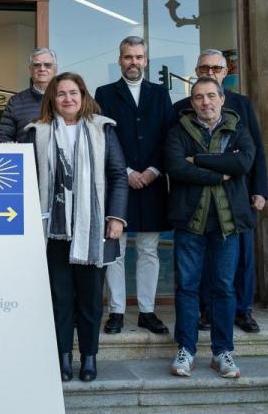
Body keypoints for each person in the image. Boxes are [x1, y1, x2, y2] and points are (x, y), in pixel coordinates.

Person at [25, 72, 128, 383]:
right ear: (52, 99)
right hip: (52, 230)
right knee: (60, 298)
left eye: (73, 92)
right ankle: (63, 357)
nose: (68, 98)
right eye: (61, 94)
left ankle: (89, 357)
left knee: (90, 298)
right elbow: (24, 178)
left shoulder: (102, 128)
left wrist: (115, 217)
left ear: (83, 96)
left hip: (92, 229)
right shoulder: (37, 132)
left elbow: (118, 175)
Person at [172, 49, 268, 333]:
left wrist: (260, 189)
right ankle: (206, 310)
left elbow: (253, 154)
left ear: (226, 72)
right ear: (196, 72)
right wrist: (223, 166)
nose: (210, 73)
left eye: (216, 68)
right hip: (196, 198)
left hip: (239, 193)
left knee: (241, 259)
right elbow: (176, 161)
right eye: (204, 68)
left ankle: (243, 310)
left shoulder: (242, 104)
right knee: (201, 264)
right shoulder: (181, 108)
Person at [165, 76, 255, 379]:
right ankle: (186, 350)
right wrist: (219, 172)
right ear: (192, 102)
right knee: (187, 286)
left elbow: (243, 164)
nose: (205, 102)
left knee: (224, 287)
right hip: (190, 221)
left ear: (221, 99)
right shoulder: (178, 131)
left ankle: (222, 352)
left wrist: (200, 160)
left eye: (211, 96)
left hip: (227, 224)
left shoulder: (238, 128)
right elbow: (177, 167)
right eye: (199, 97)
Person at [94, 36, 175, 336]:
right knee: (115, 250)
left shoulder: (160, 93)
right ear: (120, 60)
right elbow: (103, 137)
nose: (134, 62)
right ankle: (116, 311)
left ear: (146, 61)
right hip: (119, 182)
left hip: (153, 183)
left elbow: (169, 136)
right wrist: (126, 171)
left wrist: (153, 170)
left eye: (139, 57)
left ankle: (147, 311)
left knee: (149, 249)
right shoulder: (105, 93)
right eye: (128, 57)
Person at [0, 47, 57, 143]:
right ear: (30, 69)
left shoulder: (67, 100)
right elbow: (2, 137)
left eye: (47, 65)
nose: (42, 69)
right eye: (37, 65)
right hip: (27, 153)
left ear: (55, 69)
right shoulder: (16, 101)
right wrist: (8, 146)